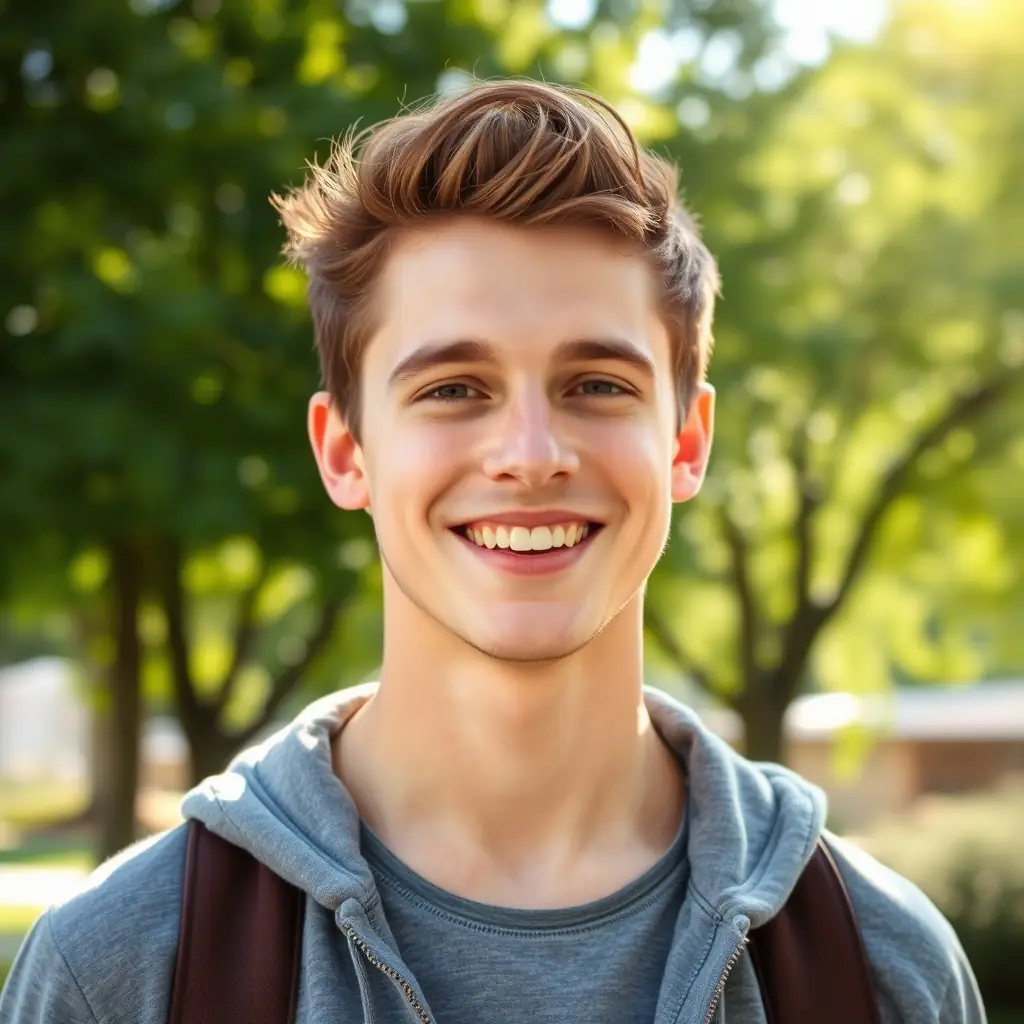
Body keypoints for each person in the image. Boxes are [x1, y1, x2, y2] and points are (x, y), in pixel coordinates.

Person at [1, 79, 985, 1024]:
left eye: (596, 384)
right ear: (345, 453)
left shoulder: (883, 968)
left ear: (686, 442)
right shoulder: (122, 969)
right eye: (452, 388)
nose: (529, 456)